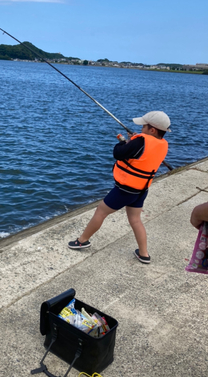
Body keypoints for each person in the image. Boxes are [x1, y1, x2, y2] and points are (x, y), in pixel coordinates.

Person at [68, 111, 171, 264]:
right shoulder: (162, 143)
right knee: (135, 220)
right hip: (141, 190)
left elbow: (118, 153)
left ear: (152, 129)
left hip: (126, 189)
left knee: (101, 212)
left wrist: (125, 142)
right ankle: (144, 254)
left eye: (144, 126)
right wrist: (133, 141)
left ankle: (82, 241)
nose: (141, 128)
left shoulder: (140, 141)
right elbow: (142, 153)